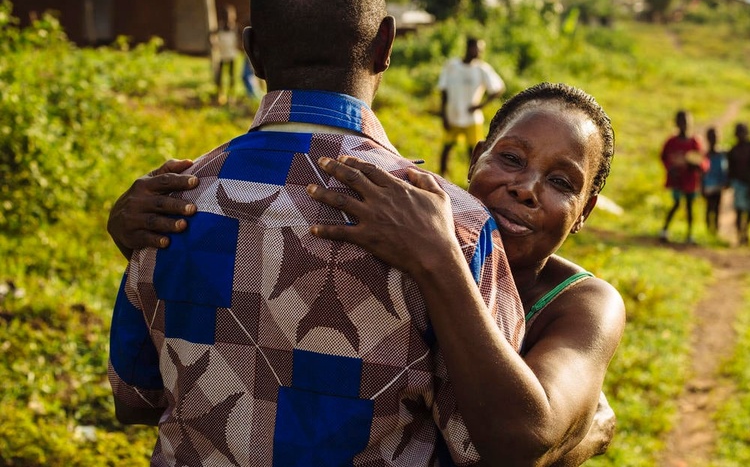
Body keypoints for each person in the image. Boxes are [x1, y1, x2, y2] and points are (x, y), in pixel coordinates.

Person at [106, 0, 525, 466]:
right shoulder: (453, 228)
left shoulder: (163, 205)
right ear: (385, 44)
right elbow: (489, 443)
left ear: (253, 52)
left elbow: (135, 399)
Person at [108, 84, 626, 466]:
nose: (526, 187)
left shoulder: (582, 303)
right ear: (474, 160)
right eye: (511, 159)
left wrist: (441, 259)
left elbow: (525, 439)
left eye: (561, 181)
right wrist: (144, 240)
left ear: (585, 210)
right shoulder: (398, 226)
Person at [438, 37, 505, 177]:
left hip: (472, 118)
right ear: (468, 48)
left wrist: (480, 105)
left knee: (474, 151)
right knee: (447, 147)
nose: (479, 52)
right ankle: (441, 175)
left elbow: (498, 88)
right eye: (477, 49)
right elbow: (443, 91)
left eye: (481, 50)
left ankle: (472, 178)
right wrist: (443, 114)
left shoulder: (482, 69)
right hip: (453, 115)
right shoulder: (452, 66)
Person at [659, 110, 708, 244]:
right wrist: (670, 169)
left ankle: (690, 235)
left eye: (686, 122)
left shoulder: (694, 142)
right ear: (676, 123)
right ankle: (664, 230)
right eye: (681, 122)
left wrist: (698, 166)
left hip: (690, 180)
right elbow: (663, 157)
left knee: (690, 206)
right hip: (676, 180)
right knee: (676, 203)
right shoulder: (671, 142)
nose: (684, 125)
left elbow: (702, 160)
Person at [727, 122, 750, 246]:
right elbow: (730, 169)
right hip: (739, 183)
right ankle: (740, 236)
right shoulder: (733, 150)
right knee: (739, 210)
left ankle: (745, 231)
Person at [701, 126, 729, 235]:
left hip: (718, 185)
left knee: (717, 208)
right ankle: (708, 231)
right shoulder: (705, 155)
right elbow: (702, 172)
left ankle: (715, 231)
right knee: (709, 208)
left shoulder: (723, 153)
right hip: (708, 185)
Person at [215, 5, 239, 105]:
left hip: (232, 55)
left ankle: (231, 96)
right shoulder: (220, 27)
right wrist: (214, 44)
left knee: (232, 77)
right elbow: (210, 34)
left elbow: (240, 38)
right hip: (222, 55)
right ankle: (221, 95)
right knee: (220, 77)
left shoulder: (235, 28)